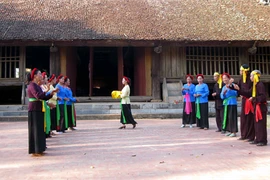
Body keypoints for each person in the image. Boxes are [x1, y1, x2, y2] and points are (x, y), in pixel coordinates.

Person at [26, 68, 57, 156]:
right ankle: (35, 150)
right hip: (34, 109)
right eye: (39, 74)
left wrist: (51, 93)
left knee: (40, 129)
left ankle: (40, 148)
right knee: (35, 130)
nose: (41, 76)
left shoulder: (37, 86)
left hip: (39, 109)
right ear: (35, 76)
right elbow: (38, 96)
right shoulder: (32, 85)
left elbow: (43, 97)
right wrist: (49, 93)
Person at [233, 70, 267, 146]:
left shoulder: (260, 85)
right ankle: (258, 139)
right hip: (256, 106)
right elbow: (248, 93)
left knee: (260, 124)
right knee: (256, 124)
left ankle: (262, 140)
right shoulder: (255, 85)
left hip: (260, 107)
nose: (250, 77)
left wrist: (254, 99)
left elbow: (263, 97)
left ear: (255, 76)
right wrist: (238, 89)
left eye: (251, 76)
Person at [237, 64, 254, 141]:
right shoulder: (241, 80)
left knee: (249, 118)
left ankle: (250, 136)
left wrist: (241, 92)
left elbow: (250, 92)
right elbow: (238, 89)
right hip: (244, 101)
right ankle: (243, 135)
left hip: (249, 101)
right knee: (243, 118)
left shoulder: (251, 80)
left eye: (241, 70)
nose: (240, 72)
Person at [220, 73, 238, 137]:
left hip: (232, 102)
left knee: (232, 117)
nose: (224, 79)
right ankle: (229, 130)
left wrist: (230, 89)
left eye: (225, 78)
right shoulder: (223, 87)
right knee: (227, 117)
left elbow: (236, 93)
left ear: (228, 78)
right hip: (226, 103)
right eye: (223, 78)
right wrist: (224, 94)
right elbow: (221, 96)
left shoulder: (233, 85)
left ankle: (234, 131)